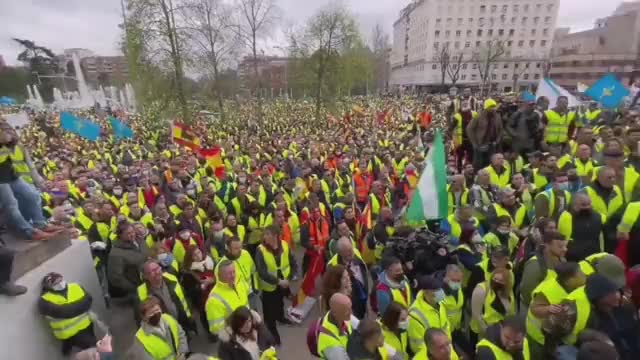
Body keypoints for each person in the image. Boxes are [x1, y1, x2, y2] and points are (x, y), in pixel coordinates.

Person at [0, 123, 61, 241]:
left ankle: (40, 224)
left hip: (12, 175)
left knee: (32, 195)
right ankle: (29, 232)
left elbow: (12, 142)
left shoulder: (7, 132)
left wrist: (9, 138)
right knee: (11, 205)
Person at [526, 262, 586, 358]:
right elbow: (535, 308)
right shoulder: (547, 290)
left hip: (555, 336)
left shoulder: (575, 287)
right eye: (580, 274)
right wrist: (547, 308)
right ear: (569, 281)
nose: (584, 275)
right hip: (539, 337)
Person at [255, 225, 296, 345]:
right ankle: (273, 336)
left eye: (268, 234)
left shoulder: (284, 245)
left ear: (276, 236)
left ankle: (281, 317)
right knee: (269, 314)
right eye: (265, 234)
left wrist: (290, 277)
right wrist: (278, 281)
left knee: (280, 303)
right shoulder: (260, 250)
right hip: (269, 286)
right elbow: (262, 272)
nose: (265, 237)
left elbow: (292, 262)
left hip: (283, 283)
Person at [583, 273, 640, 358]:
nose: (617, 296)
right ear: (597, 299)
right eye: (611, 294)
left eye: (616, 291)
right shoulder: (593, 321)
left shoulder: (626, 305)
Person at [39, 272, 96, 355]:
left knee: (91, 344)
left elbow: (89, 299)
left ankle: (67, 348)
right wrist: (81, 305)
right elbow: (64, 312)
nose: (60, 284)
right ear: (49, 286)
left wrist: (71, 308)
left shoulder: (75, 286)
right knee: (94, 350)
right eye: (56, 283)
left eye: (61, 280)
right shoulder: (44, 301)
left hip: (86, 326)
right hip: (67, 332)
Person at [520, 231, 567, 310]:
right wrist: (539, 307)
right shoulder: (535, 265)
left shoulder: (562, 260)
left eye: (565, 246)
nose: (565, 249)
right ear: (547, 245)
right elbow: (527, 291)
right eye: (560, 246)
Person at [470, 268, 516, 344]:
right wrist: (488, 334)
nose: (497, 282)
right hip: (483, 331)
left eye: (501, 281)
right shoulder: (481, 290)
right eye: (495, 279)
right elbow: (477, 315)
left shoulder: (508, 291)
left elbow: (510, 312)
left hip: (501, 331)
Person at [206, 259, 250, 337]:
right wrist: (233, 321)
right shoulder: (214, 300)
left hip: (248, 328)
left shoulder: (239, 282)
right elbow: (215, 329)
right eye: (229, 273)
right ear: (220, 276)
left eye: (234, 271)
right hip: (234, 337)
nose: (233, 275)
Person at [408, 275, 450, 354]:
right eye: (435, 290)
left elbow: (446, 326)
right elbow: (418, 345)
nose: (440, 291)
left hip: (444, 349)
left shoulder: (440, 303)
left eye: (440, 288)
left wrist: (448, 345)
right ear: (426, 292)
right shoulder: (414, 315)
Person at [328, 236, 368, 319]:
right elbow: (333, 291)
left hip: (362, 299)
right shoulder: (332, 266)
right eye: (347, 251)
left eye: (351, 249)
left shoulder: (355, 252)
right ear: (340, 253)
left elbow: (364, 271)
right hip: (349, 305)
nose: (351, 253)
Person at [558, 193, 605, 261]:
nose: (587, 207)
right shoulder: (566, 217)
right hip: (572, 260)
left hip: (594, 258)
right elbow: (563, 240)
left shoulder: (599, 217)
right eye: (583, 205)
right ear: (574, 205)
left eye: (589, 204)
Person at [107, 222, 146, 299]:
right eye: (128, 233)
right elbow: (116, 277)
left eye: (132, 232)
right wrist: (133, 288)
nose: (132, 235)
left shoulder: (140, 240)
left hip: (147, 283)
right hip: (136, 289)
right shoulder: (116, 253)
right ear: (120, 235)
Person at [181, 246, 215, 331]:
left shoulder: (209, 262)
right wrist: (201, 287)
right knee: (205, 316)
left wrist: (212, 280)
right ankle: (210, 332)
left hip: (214, 294)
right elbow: (189, 291)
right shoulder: (188, 273)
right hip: (201, 299)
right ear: (190, 258)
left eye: (199, 253)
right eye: (194, 255)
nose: (198, 256)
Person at [467, 98, 503, 169]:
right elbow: (469, 129)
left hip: (492, 144)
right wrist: (474, 143)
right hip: (480, 144)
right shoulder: (478, 116)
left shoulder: (497, 117)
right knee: (478, 164)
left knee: (490, 163)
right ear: (486, 108)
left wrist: (497, 141)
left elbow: (500, 129)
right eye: (491, 107)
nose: (493, 109)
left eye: (494, 107)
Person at [317, 293, 354, 360]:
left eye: (350, 308)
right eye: (347, 311)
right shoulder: (332, 345)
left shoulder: (341, 316)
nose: (351, 312)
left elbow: (359, 325)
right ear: (335, 313)